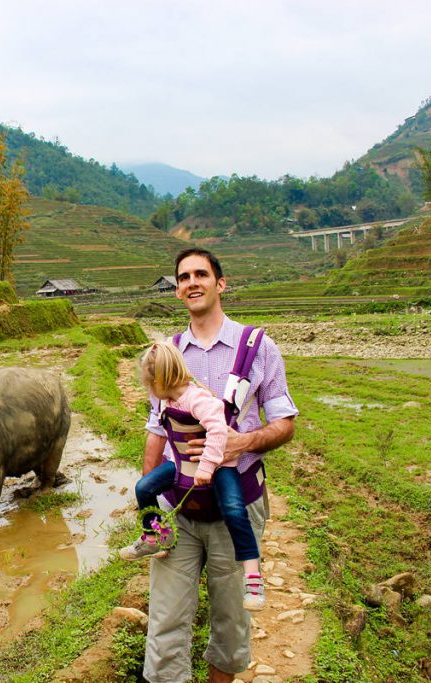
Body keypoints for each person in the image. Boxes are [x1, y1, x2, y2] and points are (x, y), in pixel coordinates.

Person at [142, 248, 298, 683]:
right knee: (166, 617)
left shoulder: (257, 347)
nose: (192, 282)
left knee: (231, 621)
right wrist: (149, 503)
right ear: (177, 291)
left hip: (237, 503)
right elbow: (156, 428)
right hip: (180, 505)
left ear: (220, 283)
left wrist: (241, 443)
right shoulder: (167, 353)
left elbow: (284, 422)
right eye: (183, 277)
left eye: (201, 274)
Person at [119, 341, 266, 612]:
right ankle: (156, 536)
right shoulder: (166, 399)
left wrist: (208, 466)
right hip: (181, 463)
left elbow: (219, 431)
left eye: (149, 383)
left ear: (162, 378)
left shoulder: (198, 399)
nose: (148, 389)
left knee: (234, 510)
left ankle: (253, 575)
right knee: (144, 488)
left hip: (220, 465)